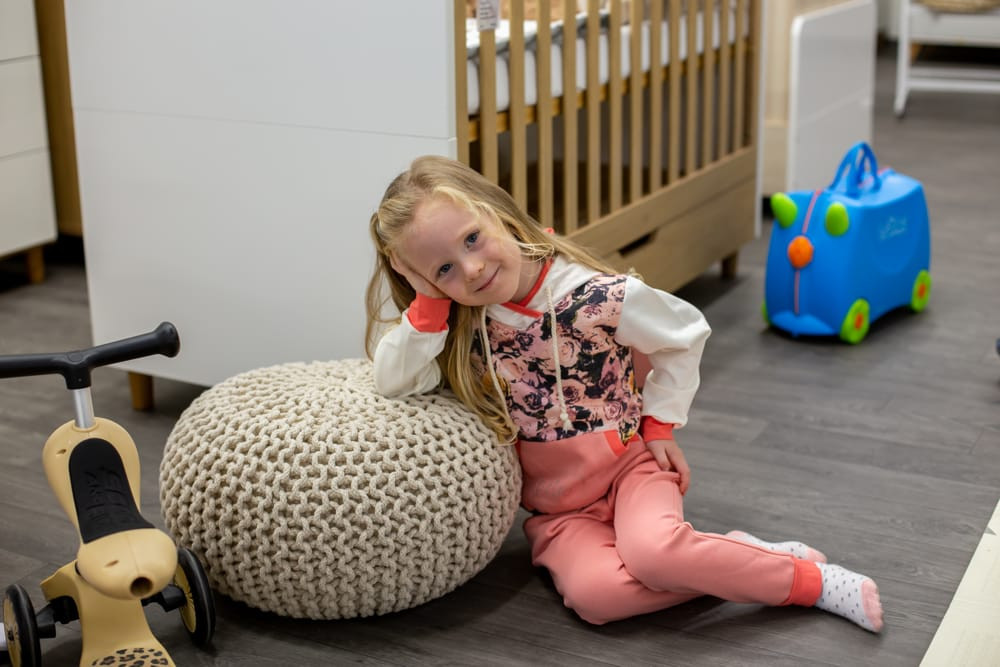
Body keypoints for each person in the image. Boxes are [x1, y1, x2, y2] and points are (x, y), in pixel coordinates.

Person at [364, 155, 884, 632]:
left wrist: (660, 424)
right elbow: (391, 379)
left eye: (472, 239)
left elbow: (685, 335)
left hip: (631, 469)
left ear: (495, 212)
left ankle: (806, 582)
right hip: (558, 510)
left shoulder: (594, 295)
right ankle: (731, 559)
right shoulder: (457, 323)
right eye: (444, 269)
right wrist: (430, 302)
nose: (471, 268)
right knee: (597, 598)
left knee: (655, 557)